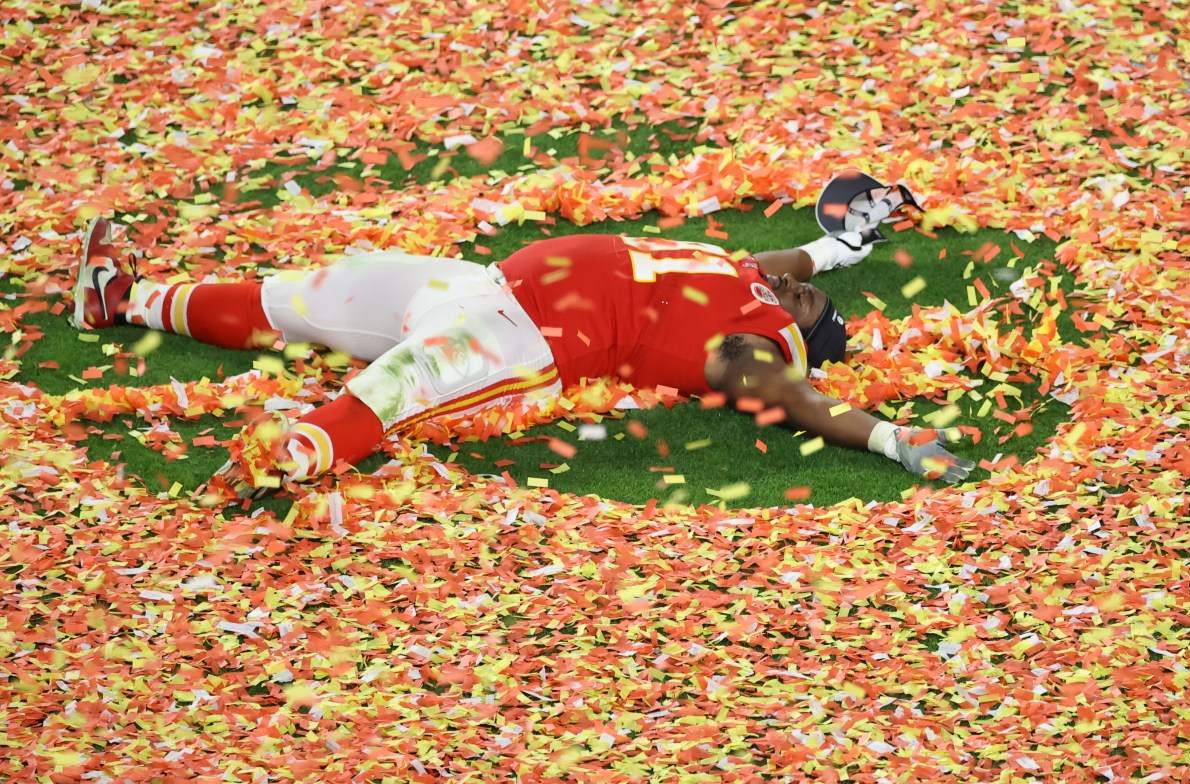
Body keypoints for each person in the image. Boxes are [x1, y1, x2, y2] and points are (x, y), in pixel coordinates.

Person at [71, 215, 974, 494]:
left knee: (394, 385)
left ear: (795, 339)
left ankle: (291, 456)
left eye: (816, 313)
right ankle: (125, 301)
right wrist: (836, 249)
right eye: (813, 297)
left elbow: (803, 402)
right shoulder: (747, 275)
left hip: (526, 336)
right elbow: (790, 262)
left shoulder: (752, 344)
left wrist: (896, 440)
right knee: (308, 297)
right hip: (480, 280)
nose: (814, 302)